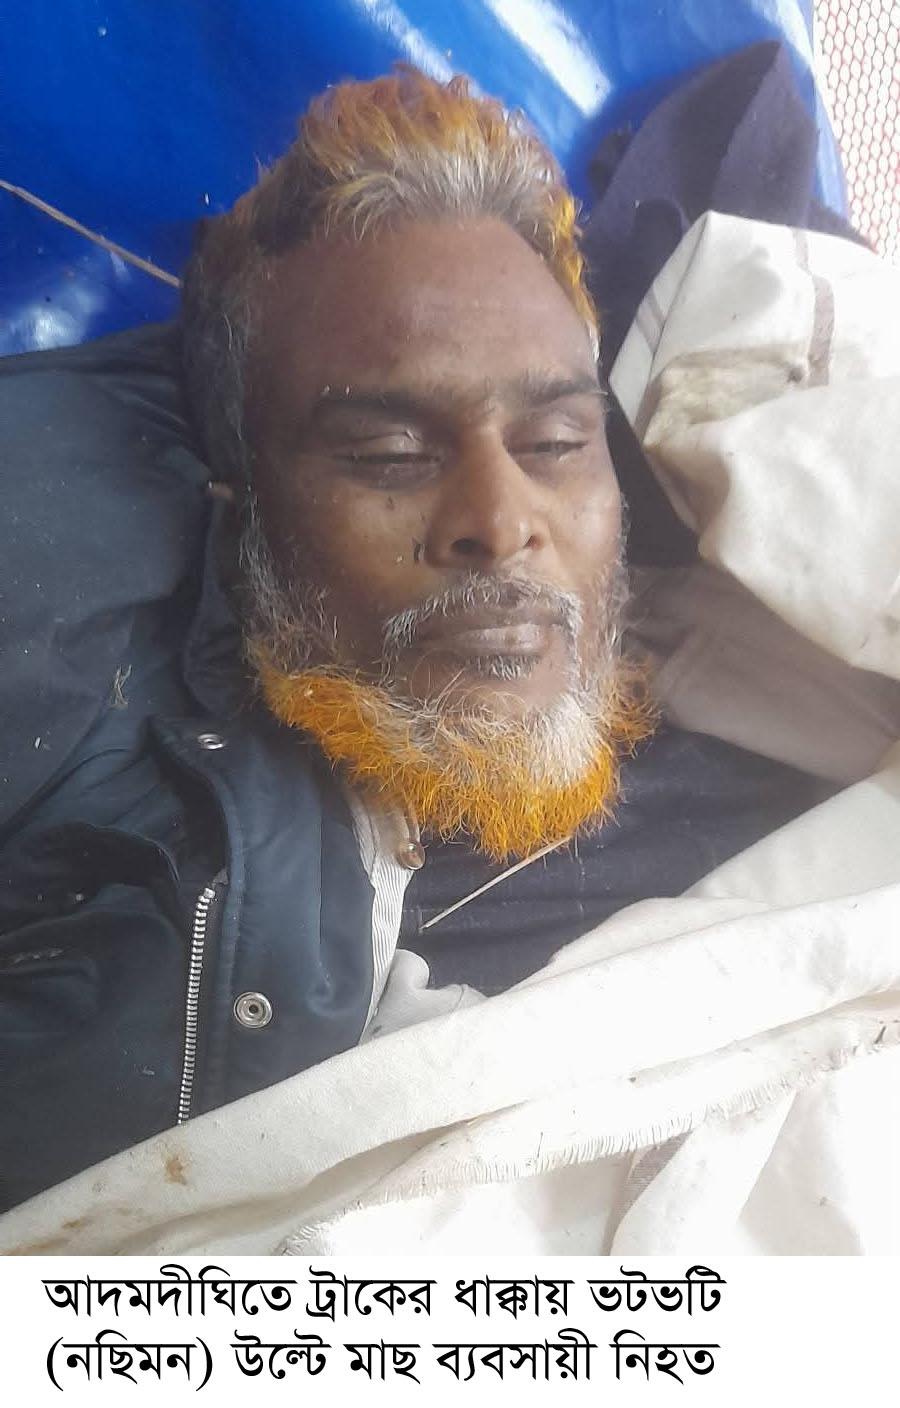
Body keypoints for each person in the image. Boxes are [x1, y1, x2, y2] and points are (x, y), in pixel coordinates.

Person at [0, 68, 825, 1215]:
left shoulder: (798, 709)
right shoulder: (66, 656)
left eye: (555, 442)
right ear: (242, 492)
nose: (501, 521)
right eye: (391, 456)